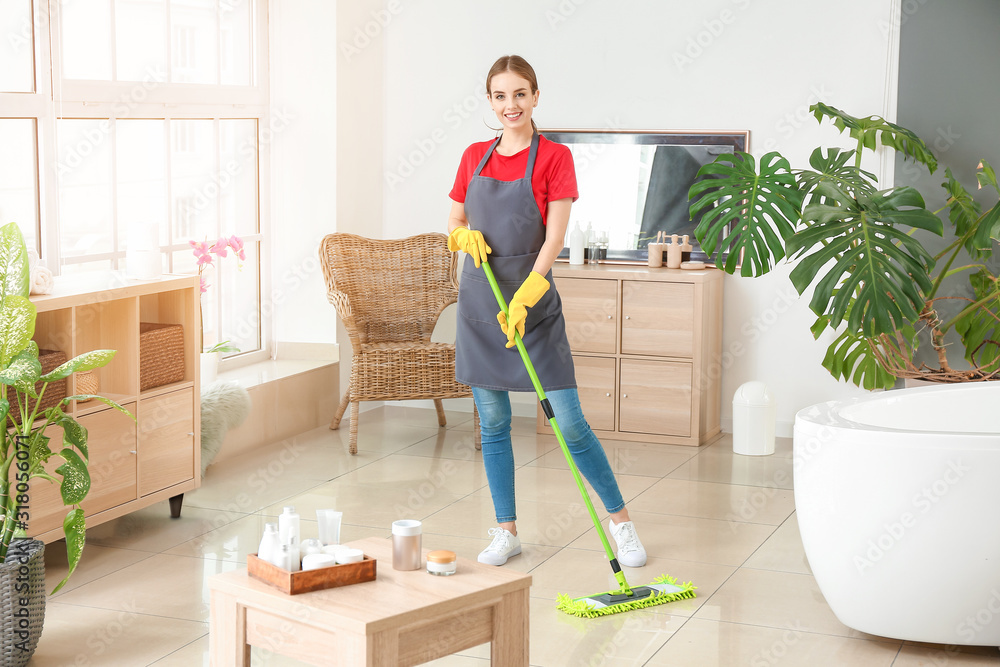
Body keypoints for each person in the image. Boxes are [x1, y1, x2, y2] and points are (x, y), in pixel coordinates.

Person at [447, 55, 647, 568]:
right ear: (489, 101)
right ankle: (506, 530)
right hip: (480, 300)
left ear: (536, 95)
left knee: (570, 423)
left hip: (531, 302)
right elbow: (455, 219)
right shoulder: (474, 156)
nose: (509, 105)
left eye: (519, 94)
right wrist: (459, 236)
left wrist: (529, 293)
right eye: (499, 96)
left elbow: (554, 236)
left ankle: (621, 524)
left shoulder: (554, 157)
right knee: (492, 421)